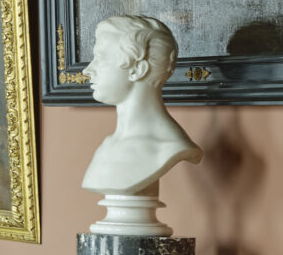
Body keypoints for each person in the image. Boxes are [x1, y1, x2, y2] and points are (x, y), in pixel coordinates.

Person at [81, 14, 202, 198]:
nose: (87, 70)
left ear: (138, 69)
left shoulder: (169, 147)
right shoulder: (107, 146)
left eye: (101, 57)